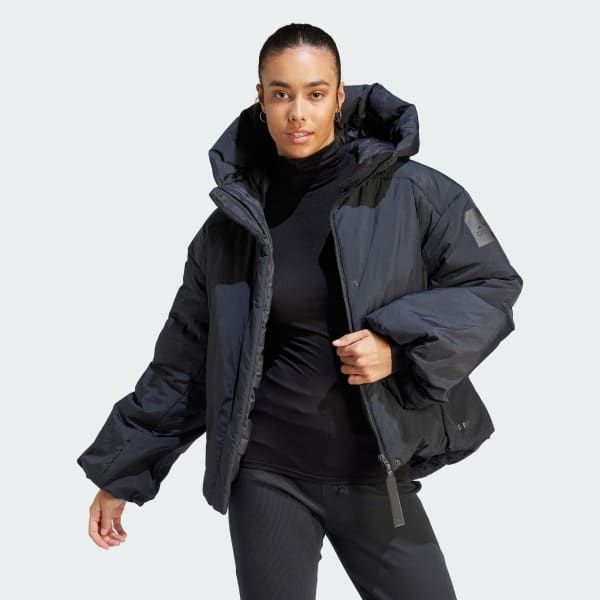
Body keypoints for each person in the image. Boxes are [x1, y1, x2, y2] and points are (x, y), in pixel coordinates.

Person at [77, 23, 523, 600]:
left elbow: (491, 286)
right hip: (267, 473)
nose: (297, 112)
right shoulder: (230, 228)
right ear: (260, 100)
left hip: (372, 470)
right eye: (281, 93)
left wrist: (398, 345)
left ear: (338, 97)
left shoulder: (416, 194)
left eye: (314, 93)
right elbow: (184, 361)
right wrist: (122, 473)